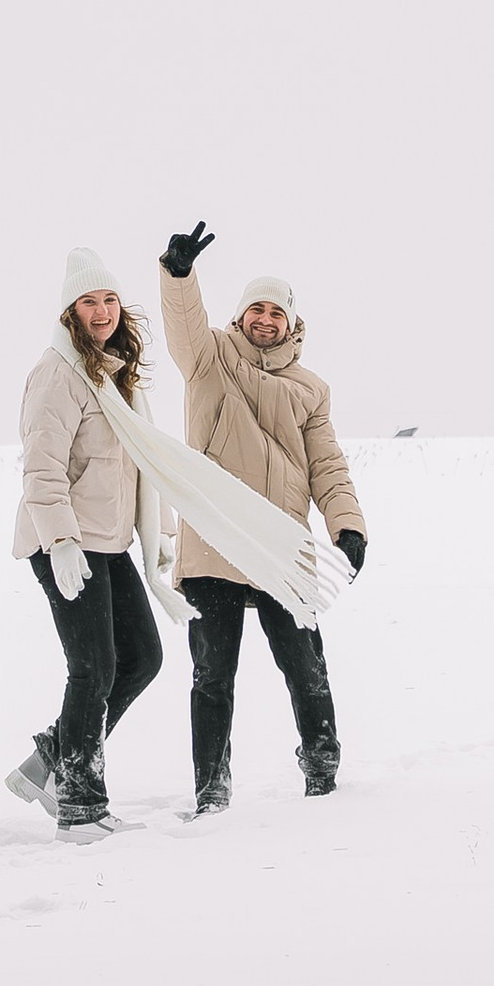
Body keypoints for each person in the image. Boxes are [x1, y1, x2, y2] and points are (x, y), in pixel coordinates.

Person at [157, 221, 366, 809]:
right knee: (212, 677)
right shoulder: (210, 358)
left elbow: (327, 464)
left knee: (305, 669)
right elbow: (184, 324)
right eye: (256, 309)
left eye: (277, 312)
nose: (265, 320)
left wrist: (347, 527)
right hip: (214, 542)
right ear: (242, 315)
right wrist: (179, 275)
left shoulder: (310, 389)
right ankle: (211, 789)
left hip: (280, 546)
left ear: (292, 322)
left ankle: (322, 773)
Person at [9, 246, 179, 831]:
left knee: (142, 658)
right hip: (63, 543)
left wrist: (159, 535)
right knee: (94, 667)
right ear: (69, 312)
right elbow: (42, 468)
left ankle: (53, 758)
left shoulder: (114, 377)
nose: (102, 310)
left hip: (108, 541)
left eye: (109, 299)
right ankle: (79, 805)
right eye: (89, 300)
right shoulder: (56, 375)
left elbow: (144, 463)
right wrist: (59, 542)